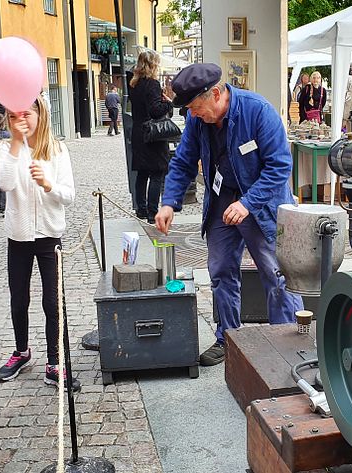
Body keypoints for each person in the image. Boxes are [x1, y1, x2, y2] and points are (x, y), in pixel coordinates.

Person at [155, 63, 304, 366]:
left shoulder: (258, 111)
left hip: (262, 206)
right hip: (223, 202)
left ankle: (288, 344)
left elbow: (279, 167)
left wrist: (248, 203)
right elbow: (183, 161)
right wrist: (169, 202)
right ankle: (229, 338)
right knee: (221, 271)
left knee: (278, 277)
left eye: (196, 108)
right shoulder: (198, 121)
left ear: (217, 94)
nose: (194, 115)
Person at [0, 96, 79, 391]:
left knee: (53, 301)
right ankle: (21, 351)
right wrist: (15, 143)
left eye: (27, 114)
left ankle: (55, 362)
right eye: (15, 115)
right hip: (18, 235)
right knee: (19, 298)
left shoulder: (56, 149)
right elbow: (4, 184)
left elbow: (68, 195)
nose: (22, 120)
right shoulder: (5, 148)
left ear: (41, 115)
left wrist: (48, 185)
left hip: (49, 235)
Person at [128, 50, 173, 224]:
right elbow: (155, 111)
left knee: (142, 173)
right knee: (157, 172)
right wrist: (168, 104)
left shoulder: (134, 84)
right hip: (152, 134)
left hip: (139, 132)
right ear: (153, 65)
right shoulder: (152, 84)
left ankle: (141, 209)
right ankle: (152, 212)